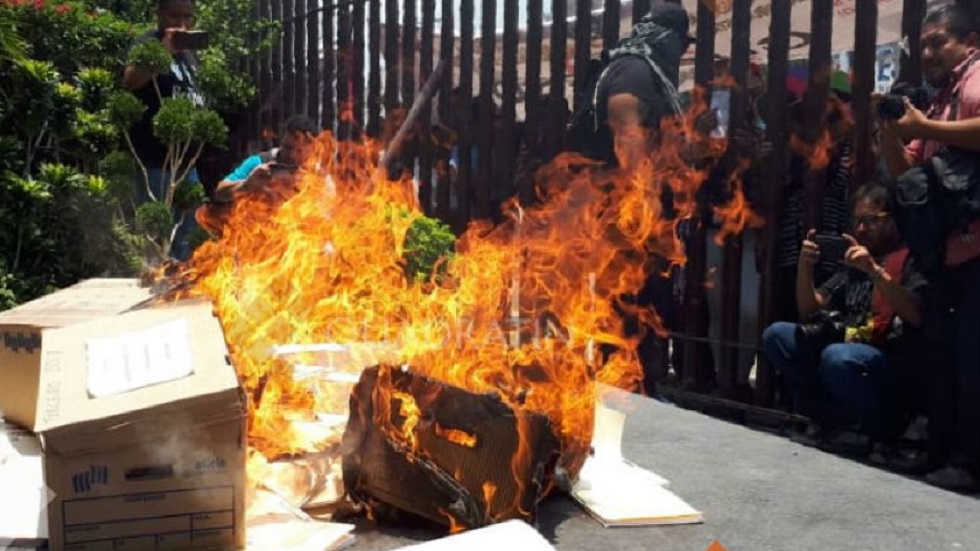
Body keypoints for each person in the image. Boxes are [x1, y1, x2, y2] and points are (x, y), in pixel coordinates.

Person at [878, 4, 980, 491]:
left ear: (971, 41)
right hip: (946, 252)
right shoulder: (937, 99)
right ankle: (944, 456)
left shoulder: (978, 77)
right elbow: (907, 177)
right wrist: (890, 131)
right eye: (923, 44)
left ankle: (966, 461)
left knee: (971, 360)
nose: (928, 52)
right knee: (942, 358)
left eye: (939, 41)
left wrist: (925, 129)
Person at [762, 183, 927, 456]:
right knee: (779, 335)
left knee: (839, 357)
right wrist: (805, 268)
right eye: (858, 221)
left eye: (872, 221)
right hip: (848, 351)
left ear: (894, 220)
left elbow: (917, 315)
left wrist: (875, 272)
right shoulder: (854, 259)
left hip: (889, 363)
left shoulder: (910, 258)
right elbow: (810, 311)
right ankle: (829, 422)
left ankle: (882, 432)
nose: (862, 229)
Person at [122, 0, 205, 260]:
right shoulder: (148, 42)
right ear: (159, 14)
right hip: (156, 160)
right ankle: (159, 289)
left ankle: (178, 288)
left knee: (188, 231)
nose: (181, 24)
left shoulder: (189, 54)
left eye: (187, 17)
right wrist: (163, 51)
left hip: (186, 162)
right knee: (160, 238)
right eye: (174, 16)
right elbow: (130, 81)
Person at [591, 0, 692, 169]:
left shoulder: (647, 73)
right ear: (667, 39)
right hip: (625, 191)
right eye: (683, 44)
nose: (682, 52)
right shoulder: (633, 73)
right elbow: (631, 153)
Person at [213, 115, 318, 203]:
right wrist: (247, 185)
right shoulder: (259, 163)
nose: (292, 155)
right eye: (287, 147)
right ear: (282, 141)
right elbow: (219, 193)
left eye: (299, 150)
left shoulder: (317, 174)